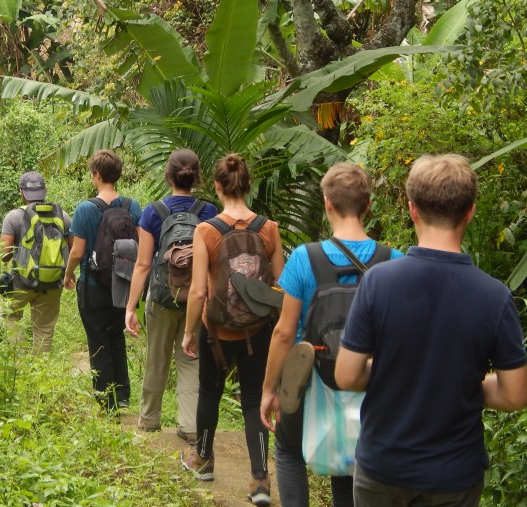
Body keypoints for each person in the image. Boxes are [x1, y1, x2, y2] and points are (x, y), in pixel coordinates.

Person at [335, 154, 527, 506]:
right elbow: (515, 394)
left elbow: (347, 375)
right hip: (453, 476)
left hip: (383, 467)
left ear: (412, 209)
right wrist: (462, 381)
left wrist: (395, 371)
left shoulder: (379, 282)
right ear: (470, 211)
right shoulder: (495, 297)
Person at [259, 162, 403, 507]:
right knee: (351, 464)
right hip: (368, 382)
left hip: (309, 380)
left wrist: (270, 389)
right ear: (368, 206)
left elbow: (283, 333)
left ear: (327, 203)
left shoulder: (304, 259)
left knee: (290, 453)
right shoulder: (393, 262)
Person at [181, 153, 284, 506]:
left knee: (209, 393)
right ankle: (259, 480)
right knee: (255, 400)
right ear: (248, 185)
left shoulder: (207, 230)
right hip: (258, 332)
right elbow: (279, 287)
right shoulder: (268, 228)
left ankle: (204, 459)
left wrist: (189, 331)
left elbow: (198, 290)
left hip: (217, 334)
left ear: (217, 186)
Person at [125, 149, 218, 441]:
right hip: (197, 297)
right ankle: (190, 425)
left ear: (168, 175)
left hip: (162, 297)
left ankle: (149, 419)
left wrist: (130, 307)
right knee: (191, 359)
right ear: (196, 176)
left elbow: (142, 264)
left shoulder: (154, 212)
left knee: (156, 358)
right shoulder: (209, 212)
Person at [64, 150, 142, 413]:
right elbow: (141, 246)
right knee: (116, 336)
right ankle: (122, 394)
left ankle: (105, 400)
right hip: (123, 286)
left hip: (93, 286)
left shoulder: (86, 209)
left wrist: (68, 273)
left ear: (96, 175)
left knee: (97, 340)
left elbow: (76, 251)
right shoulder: (132, 206)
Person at [0, 172, 72, 355]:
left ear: (22, 193)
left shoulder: (14, 217)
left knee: (9, 315)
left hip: (22, 281)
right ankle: (40, 370)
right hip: (53, 282)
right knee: (44, 328)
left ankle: (22, 362)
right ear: (44, 191)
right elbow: (73, 251)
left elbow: (5, 254)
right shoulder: (63, 216)